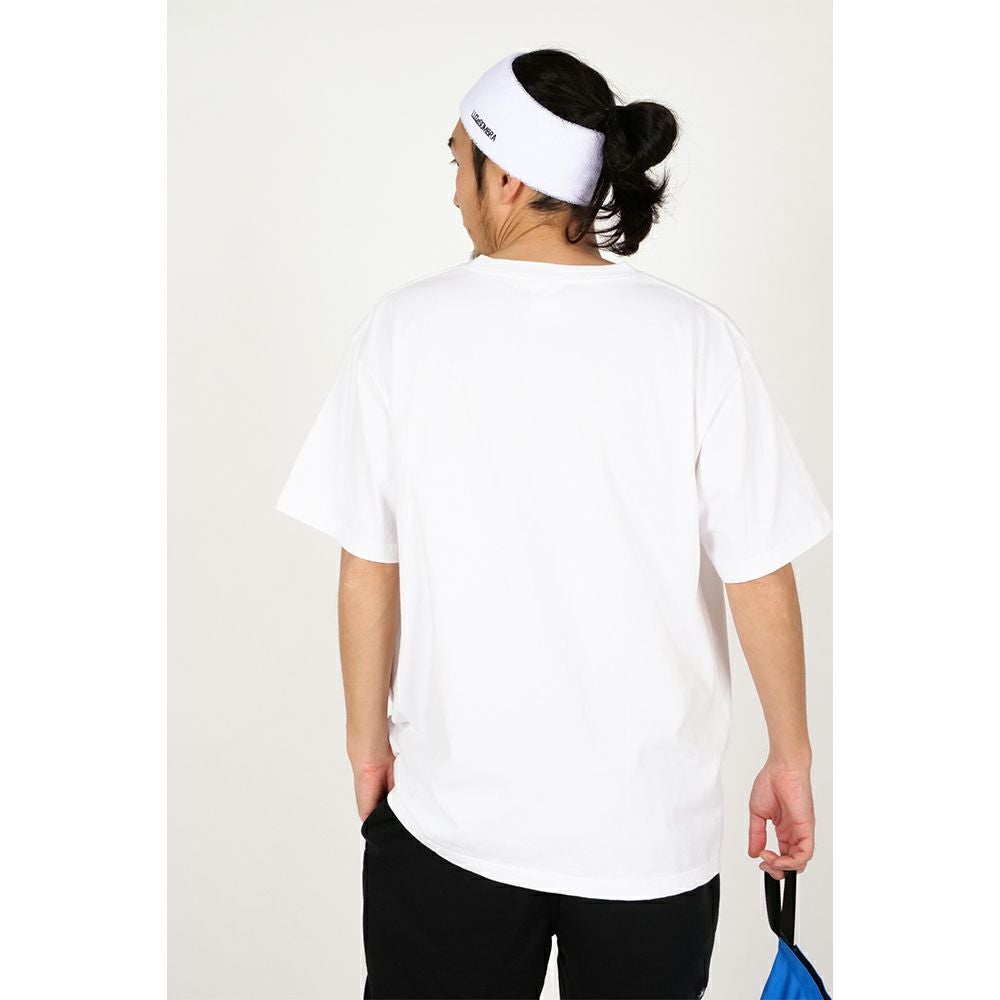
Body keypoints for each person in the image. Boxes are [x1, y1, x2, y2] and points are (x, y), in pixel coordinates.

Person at [275, 48, 832, 1000]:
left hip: (454, 825)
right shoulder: (695, 339)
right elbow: (758, 573)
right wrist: (791, 756)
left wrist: (368, 747)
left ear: (507, 176)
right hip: (649, 839)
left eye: (459, 162)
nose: (453, 190)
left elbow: (368, 562)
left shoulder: (403, 330)